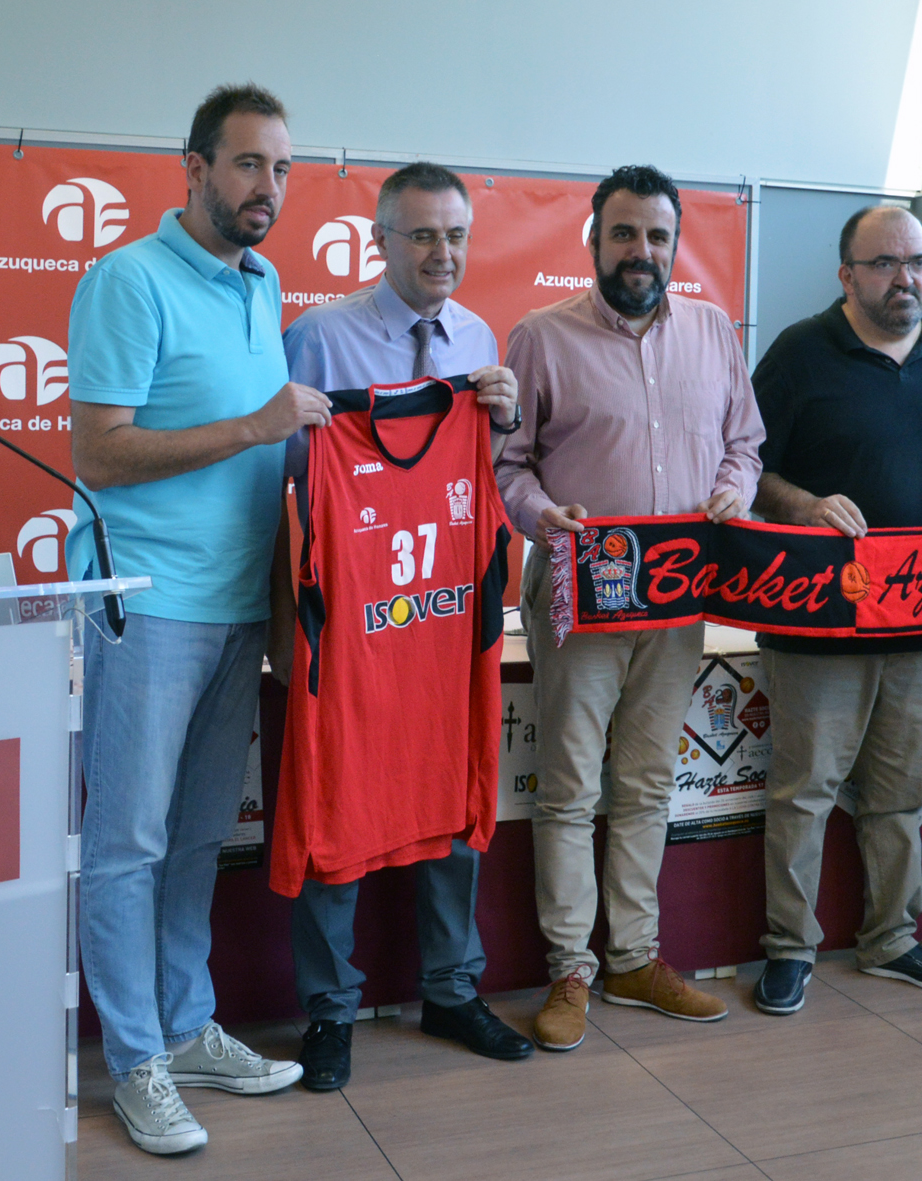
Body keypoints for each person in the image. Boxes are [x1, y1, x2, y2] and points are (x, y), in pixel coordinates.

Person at [66, 83, 313, 1155]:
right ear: (196, 168)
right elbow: (100, 450)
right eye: (249, 164)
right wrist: (254, 425)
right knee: (127, 841)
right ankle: (135, 1061)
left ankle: (182, 1023)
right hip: (147, 604)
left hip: (239, 605)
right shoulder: (127, 279)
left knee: (200, 834)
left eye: (282, 169)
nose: (268, 187)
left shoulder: (263, 283)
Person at [495, 165, 765, 1051]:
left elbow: (745, 443)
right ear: (595, 241)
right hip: (580, 593)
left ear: (675, 244)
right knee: (570, 787)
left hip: (677, 595)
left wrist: (732, 490)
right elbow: (507, 465)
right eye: (623, 234)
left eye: (656, 235)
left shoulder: (714, 332)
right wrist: (543, 515)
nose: (640, 251)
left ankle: (635, 959)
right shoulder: (541, 337)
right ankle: (570, 968)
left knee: (647, 783)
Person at [276, 162, 531, 1091]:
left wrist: (499, 419)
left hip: (441, 616)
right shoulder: (320, 337)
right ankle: (329, 1010)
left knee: (454, 791)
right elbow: (281, 482)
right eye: (422, 234)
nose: (441, 252)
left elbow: (478, 481)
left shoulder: (478, 339)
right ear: (380, 239)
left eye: (455, 235)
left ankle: (452, 990)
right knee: (336, 797)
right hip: (348, 624)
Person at [747, 207, 922, 1014]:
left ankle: (891, 937)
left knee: (899, 792)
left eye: (918, 262)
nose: (906, 278)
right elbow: (748, 463)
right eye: (887, 263)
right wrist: (806, 505)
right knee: (805, 791)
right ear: (847, 274)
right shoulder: (799, 351)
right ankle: (790, 948)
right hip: (819, 619)